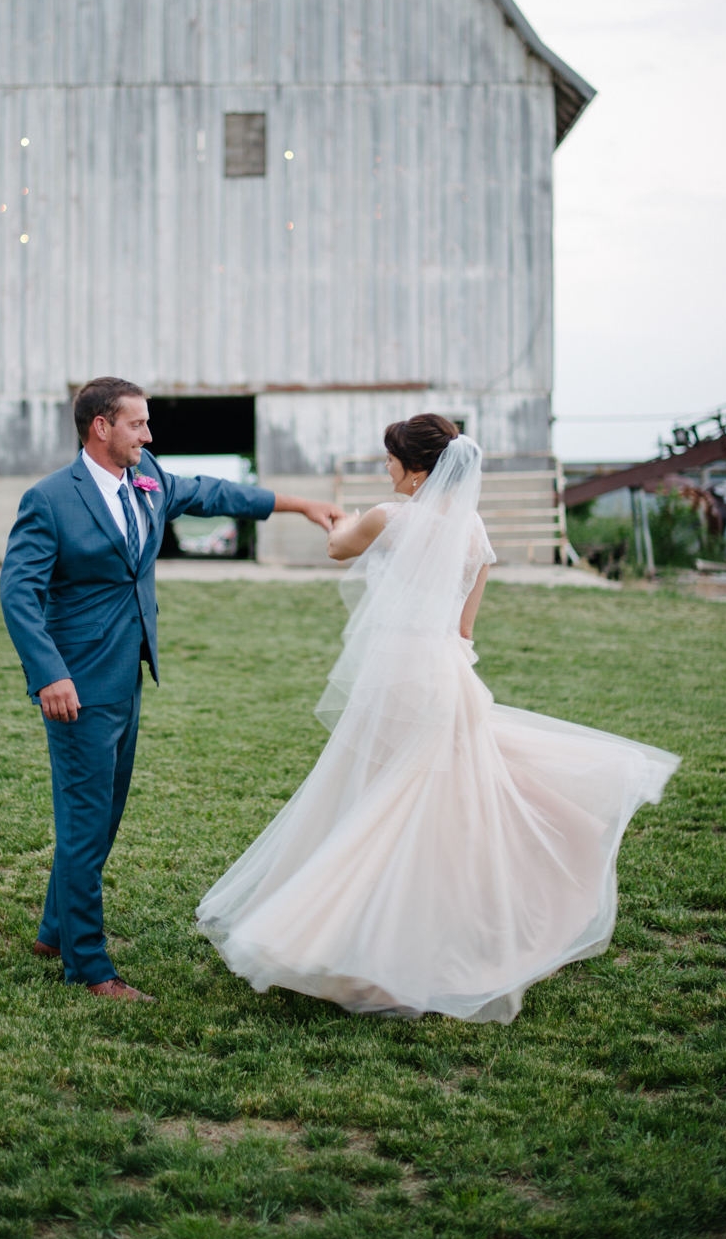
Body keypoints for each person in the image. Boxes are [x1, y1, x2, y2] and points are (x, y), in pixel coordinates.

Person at [197, 413, 680, 1023]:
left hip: (396, 677)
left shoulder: (390, 517)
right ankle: (448, 936)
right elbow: (465, 628)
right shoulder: (473, 530)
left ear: (415, 466)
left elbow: (338, 545)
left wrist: (334, 516)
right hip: (447, 676)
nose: (386, 469)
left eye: (391, 459)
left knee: (381, 802)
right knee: (442, 809)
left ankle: (357, 945)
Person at [0, 376, 340, 1002]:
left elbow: (213, 493)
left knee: (102, 819)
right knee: (84, 821)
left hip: (127, 677)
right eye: (138, 424)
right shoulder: (49, 500)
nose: (149, 435)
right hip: (74, 687)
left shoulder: (148, 476)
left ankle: (55, 929)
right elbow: (17, 593)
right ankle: (89, 966)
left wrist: (298, 504)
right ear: (101, 427)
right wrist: (49, 673)